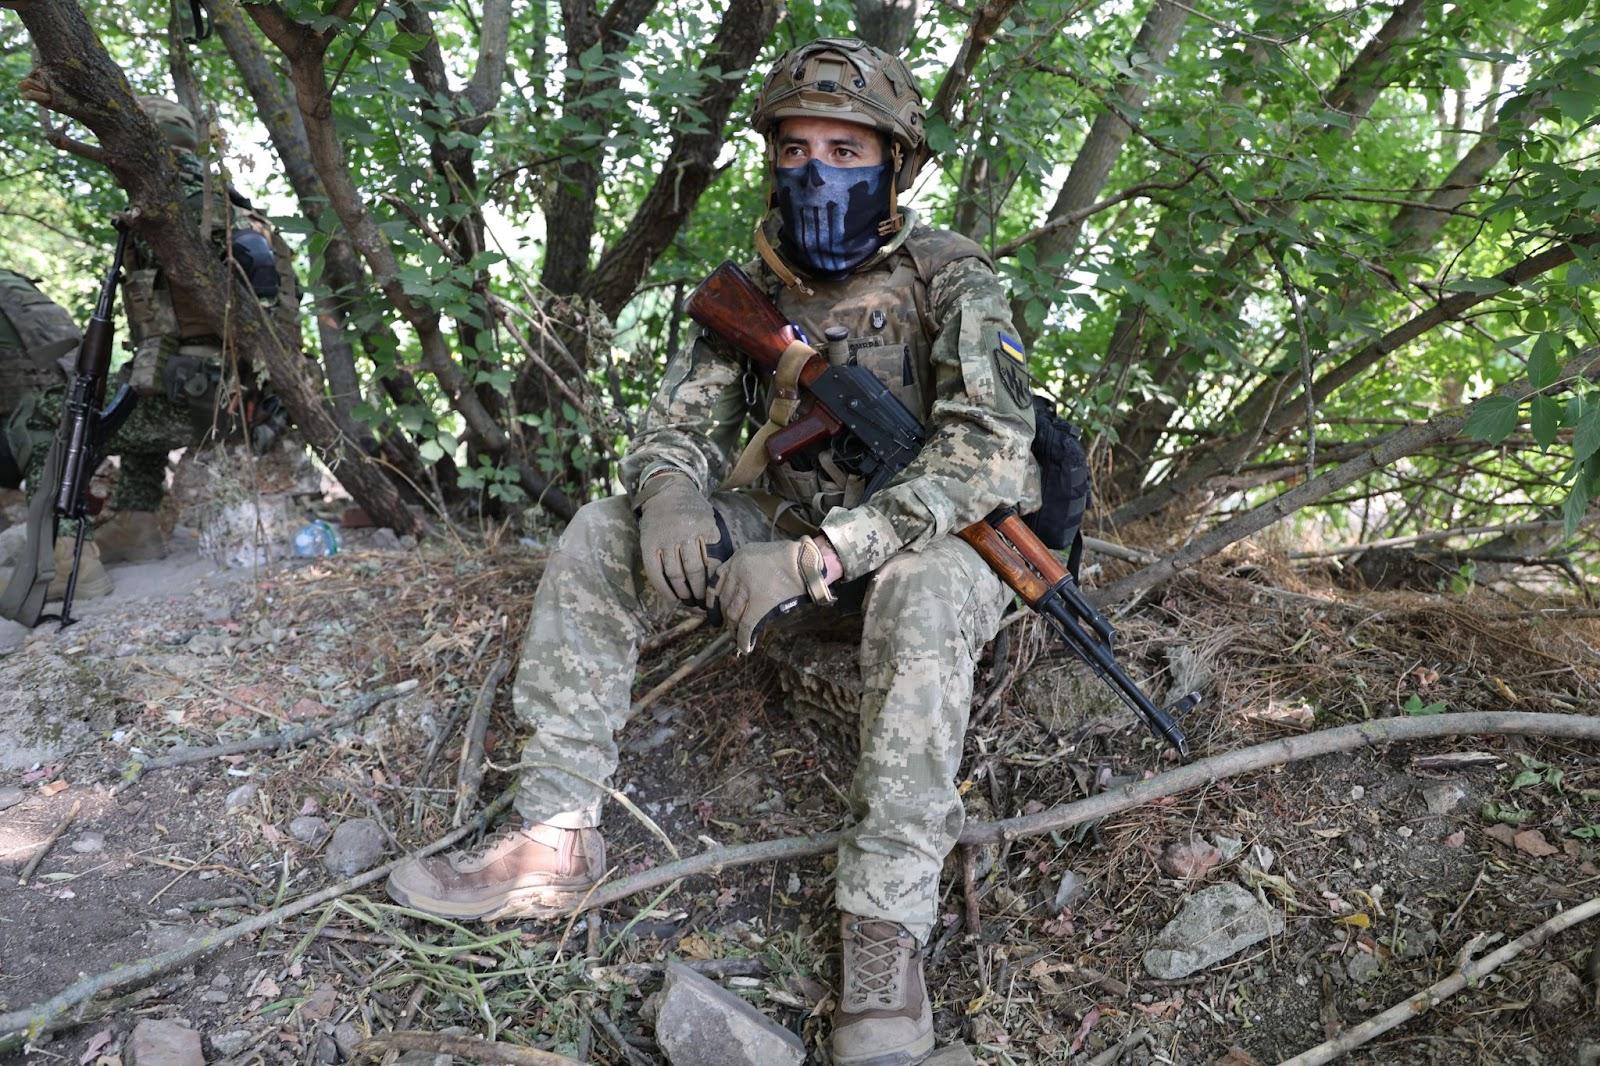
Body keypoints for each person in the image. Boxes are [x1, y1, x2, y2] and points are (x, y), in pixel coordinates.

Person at [387, 38, 1039, 1066]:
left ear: (896, 166)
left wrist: (829, 552)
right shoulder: (751, 288)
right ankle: (552, 833)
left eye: (844, 148)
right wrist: (668, 494)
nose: (816, 171)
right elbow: (676, 425)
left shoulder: (949, 277)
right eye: (794, 150)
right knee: (600, 528)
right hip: (774, 541)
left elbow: (989, 456)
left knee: (920, 584)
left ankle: (882, 928)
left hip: (919, 547)